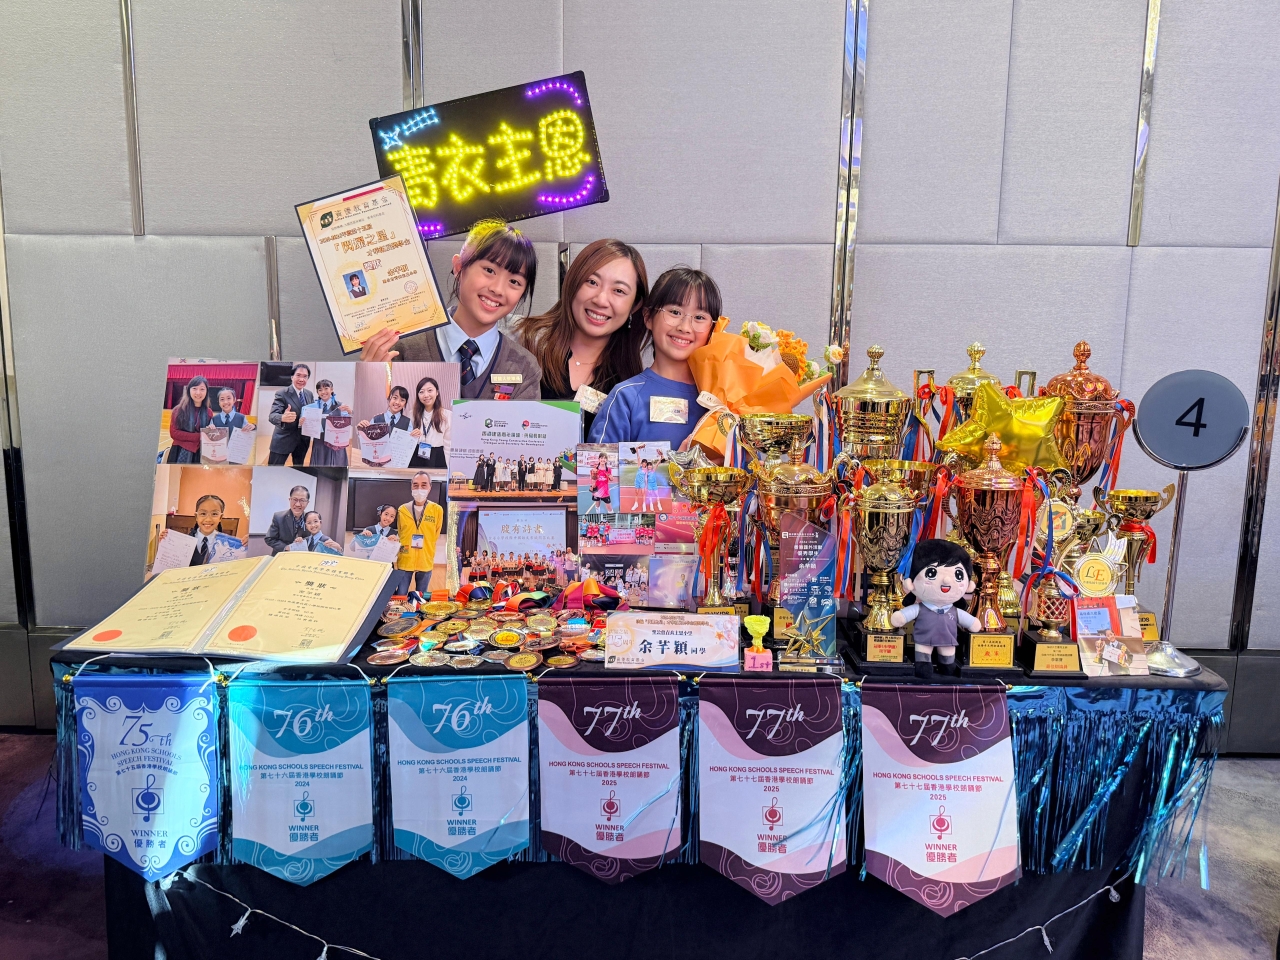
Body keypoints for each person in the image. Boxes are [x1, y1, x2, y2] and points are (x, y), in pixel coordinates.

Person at [360, 220, 542, 400]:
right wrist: (370, 382)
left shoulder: (525, 368)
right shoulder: (401, 347)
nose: (498, 289)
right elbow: (376, 415)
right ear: (459, 267)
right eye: (489, 270)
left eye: (514, 281)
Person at [513, 239, 650, 437]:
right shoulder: (523, 341)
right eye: (592, 282)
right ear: (573, 283)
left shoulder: (629, 379)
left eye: (619, 291)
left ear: (635, 304)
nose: (601, 300)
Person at [587, 268, 721, 447]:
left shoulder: (722, 399)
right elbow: (598, 464)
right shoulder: (626, 396)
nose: (685, 327)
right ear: (648, 317)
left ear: (713, 328)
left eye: (699, 317)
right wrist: (676, 462)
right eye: (675, 312)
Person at [890, 539, 981, 679]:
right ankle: (923, 665)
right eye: (931, 573)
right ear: (910, 582)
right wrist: (900, 617)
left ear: (969, 585)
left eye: (958, 575)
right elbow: (904, 616)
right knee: (923, 658)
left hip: (948, 641)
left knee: (948, 660)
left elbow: (969, 622)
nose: (946, 581)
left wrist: (973, 623)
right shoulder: (920, 608)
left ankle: (947, 665)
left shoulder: (954, 611)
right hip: (923, 640)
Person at [394, 472, 443, 596]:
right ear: (411, 487)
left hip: (425, 558)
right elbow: (401, 532)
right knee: (401, 595)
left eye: (423, 485)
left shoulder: (437, 510)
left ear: (430, 487)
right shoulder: (402, 509)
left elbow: (435, 534)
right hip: (406, 558)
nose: (419, 489)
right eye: (415, 485)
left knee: (421, 597)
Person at [156, 493, 241, 565]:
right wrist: (165, 544)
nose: (208, 519)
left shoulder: (228, 546)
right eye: (203, 513)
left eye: (214, 514)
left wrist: (247, 545)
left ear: (221, 517)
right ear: (196, 516)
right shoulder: (183, 542)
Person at [268, 364, 316, 466]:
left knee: (298, 470)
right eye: (298, 375)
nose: (301, 379)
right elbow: (272, 416)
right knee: (273, 470)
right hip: (283, 440)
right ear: (292, 377)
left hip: (303, 441)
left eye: (305, 376)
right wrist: (282, 417)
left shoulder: (309, 394)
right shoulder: (282, 393)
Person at [167, 375, 215, 463]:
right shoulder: (178, 410)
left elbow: (209, 436)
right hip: (179, 452)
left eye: (202, 389)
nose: (198, 392)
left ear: (206, 392)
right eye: (194, 388)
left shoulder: (209, 412)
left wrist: (211, 431)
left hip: (201, 454)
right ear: (189, 390)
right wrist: (200, 435)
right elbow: (174, 433)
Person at [408, 376, 450, 469]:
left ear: (437, 392)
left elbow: (448, 444)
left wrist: (449, 467)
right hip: (416, 455)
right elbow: (407, 440)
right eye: (421, 392)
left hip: (438, 456)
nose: (426, 395)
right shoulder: (412, 414)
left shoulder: (447, 415)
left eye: (430, 390)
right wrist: (411, 436)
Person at [310, 379, 352, 467]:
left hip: (336, 443)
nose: (323, 392)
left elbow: (350, 423)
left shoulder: (340, 406)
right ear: (317, 392)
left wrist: (350, 413)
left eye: (326, 388)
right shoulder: (313, 407)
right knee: (319, 468)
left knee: (335, 469)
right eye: (320, 390)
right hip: (319, 442)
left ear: (332, 389)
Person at [207, 387, 253, 463]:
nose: (225, 402)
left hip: (236, 457)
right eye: (222, 399)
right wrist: (209, 431)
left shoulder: (241, 418)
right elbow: (209, 440)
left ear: (234, 400)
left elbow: (248, 435)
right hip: (219, 458)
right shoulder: (214, 419)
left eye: (228, 398)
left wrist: (253, 427)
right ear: (219, 402)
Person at [265, 485, 311, 554]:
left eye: (302, 500)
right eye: (295, 499)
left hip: (300, 557)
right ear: (290, 500)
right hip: (281, 556)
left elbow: (312, 539)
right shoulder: (278, 517)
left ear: (307, 503)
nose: (298, 504)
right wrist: (286, 547)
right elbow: (269, 538)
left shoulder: (310, 519)